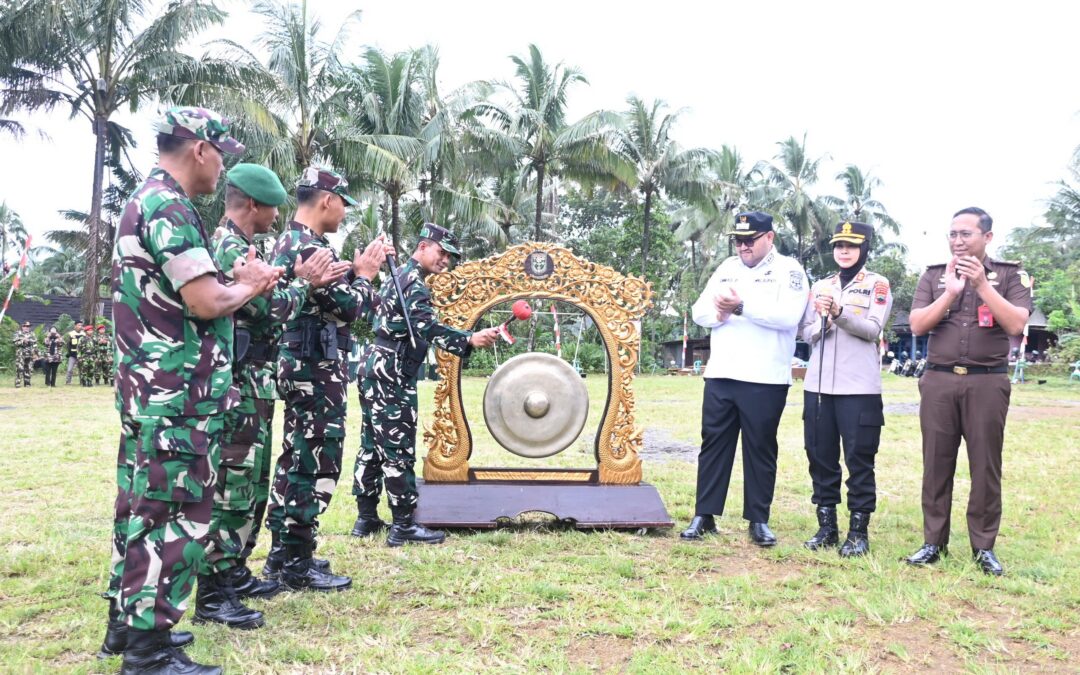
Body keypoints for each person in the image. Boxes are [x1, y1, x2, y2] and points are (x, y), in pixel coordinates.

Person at [101, 106, 280, 674]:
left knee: (139, 506)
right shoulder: (168, 205)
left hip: (152, 390)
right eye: (221, 152)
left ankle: (125, 630)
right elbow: (206, 301)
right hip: (176, 392)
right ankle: (148, 655)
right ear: (200, 148)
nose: (222, 165)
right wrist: (247, 286)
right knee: (170, 514)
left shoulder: (145, 198)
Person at [197, 163, 345, 628]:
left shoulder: (248, 247)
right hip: (236, 384)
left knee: (254, 485)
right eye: (272, 209)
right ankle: (213, 592)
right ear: (253, 205)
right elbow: (266, 308)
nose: (277, 218)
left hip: (254, 383)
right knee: (232, 488)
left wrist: (291, 283)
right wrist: (305, 284)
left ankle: (235, 573)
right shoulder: (227, 246)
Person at [262, 166, 391, 592]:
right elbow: (352, 311)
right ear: (326, 201)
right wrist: (367, 274)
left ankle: (285, 554)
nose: (344, 214)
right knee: (314, 458)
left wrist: (352, 274)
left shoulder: (292, 240)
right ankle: (297, 562)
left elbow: (331, 298)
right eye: (343, 205)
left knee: (296, 455)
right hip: (313, 367)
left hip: (303, 362)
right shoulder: (309, 247)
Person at [350, 223, 500, 546]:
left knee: (372, 443)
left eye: (450, 257)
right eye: (441, 252)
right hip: (391, 371)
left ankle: (366, 518)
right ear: (422, 246)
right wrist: (470, 339)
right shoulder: (414, 284)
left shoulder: (396, 277)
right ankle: (403, 525)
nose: (445, 260)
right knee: (397, 446)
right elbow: (428, 330)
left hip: (373, 365)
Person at [904, 207, 1031, 576]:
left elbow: (1015, 324)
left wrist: (982, 286)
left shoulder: (1009, 276)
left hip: (987, 381)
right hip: (940, 380)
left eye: (966, 234)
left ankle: (983, 546)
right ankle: (933, 542)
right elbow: (916, 325)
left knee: (985, 464)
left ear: (987, 238)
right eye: (953, 235)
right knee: (936, 463)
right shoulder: (933, 276)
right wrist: (951, 293)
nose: (958, 242)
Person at [681, 211, 809, 546]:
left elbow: (788, 317)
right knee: (713, 444)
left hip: (765, 376)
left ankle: (758, 519)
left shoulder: (789, 271)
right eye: (738, 240)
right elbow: (699, 312)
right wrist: (720, 313)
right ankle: (704, 515)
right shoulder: (727, 268)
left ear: (770, 237)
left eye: (749, 240)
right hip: (722, 372)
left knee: (760, 448)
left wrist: (741, 307)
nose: (743, 246)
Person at [800, 221, 892, 557]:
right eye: (839, 245)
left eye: (851, 246)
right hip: (819, 386)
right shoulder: (821, 285)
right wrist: (823, 321)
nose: (843, 251)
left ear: (864, 248)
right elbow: (806, 331)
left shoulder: (876, 285)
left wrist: (838, 313)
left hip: (859, 388)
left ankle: (858, 531)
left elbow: (872, 329)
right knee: (820, 456)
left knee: (859, 459)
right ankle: (826, 526)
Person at [13, 321, 35, 387]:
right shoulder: (17, 333)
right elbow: (14, 343)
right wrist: (22, 341)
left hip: (30, 354)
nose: (27, 327)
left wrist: (29, 341)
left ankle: (27, 383)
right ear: (22, 327)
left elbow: (35, 342)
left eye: (28, 326)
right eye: (25, 326)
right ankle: (18, 383)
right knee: (20, 369)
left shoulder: (32, 334)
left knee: (28, 369)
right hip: (20, 354)